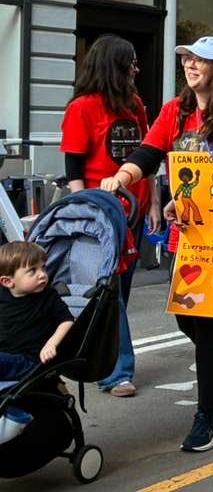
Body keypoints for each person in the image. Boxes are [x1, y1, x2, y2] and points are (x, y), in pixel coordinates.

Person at [101, 36, 213, 452]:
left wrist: (184, 198)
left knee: (207, 323)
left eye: (200, 60)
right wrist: (122, 176)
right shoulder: (176, 110)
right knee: (186, 320)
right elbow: (150, 151)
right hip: (186, 231)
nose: (190, 65)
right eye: (187, 59)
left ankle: (206, 418)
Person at [60, 34, 162, 398]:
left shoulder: (134, 105)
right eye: (131, 63)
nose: (136, 69)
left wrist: (153, 202)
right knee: (110, 292)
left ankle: (101, 358)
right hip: (101, 215)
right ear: (115, 66)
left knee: (120, 292)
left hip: (134, 211)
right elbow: (73, 164)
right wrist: (81, 211)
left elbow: (148, 154)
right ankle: (118, 371)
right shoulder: (82, 108)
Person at [0, 242, 74, 381]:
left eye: (43, 268)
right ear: (7, 282)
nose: (42, 275)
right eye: (33, 270)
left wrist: (51, 344)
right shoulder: (2, 296)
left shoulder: (48, 296)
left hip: (30, 361)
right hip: (6, 356)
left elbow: (67, 321)